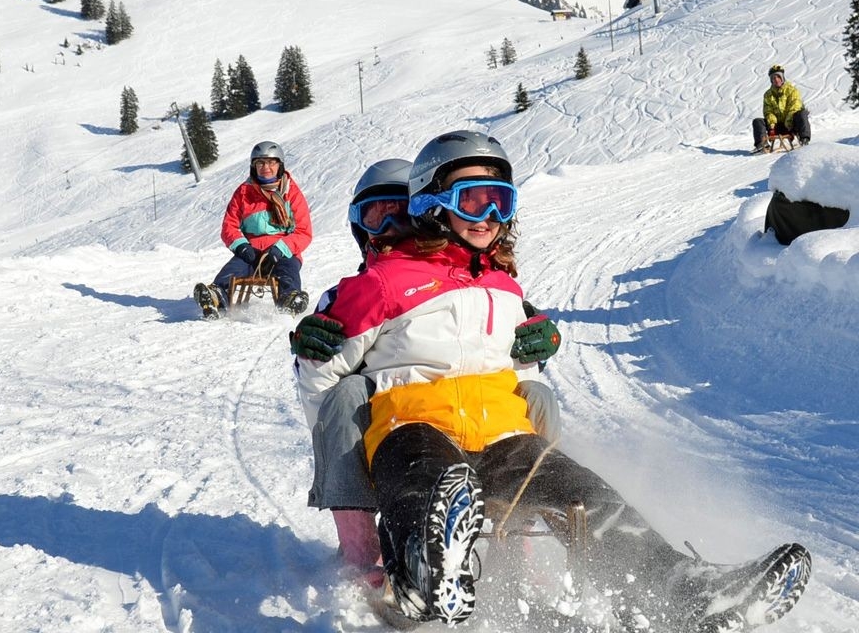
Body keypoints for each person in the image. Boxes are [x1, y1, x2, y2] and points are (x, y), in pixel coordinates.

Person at [295, 130, 811, 629]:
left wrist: (533, 351)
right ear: (432, 204)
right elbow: (325, 373)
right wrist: (346, 457)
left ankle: (682, 589)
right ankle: (422, 574)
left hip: (502, 435)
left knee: (586, 492)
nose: (489, 216)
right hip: (415, 423)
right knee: (425, 485)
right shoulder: (380, 283)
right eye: (472, 201)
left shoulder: (503, 287)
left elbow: (517, 369)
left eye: (499, 201)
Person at [292, 158, 562, 589]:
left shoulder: (474, 279)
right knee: (346, 393)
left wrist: (532, 342)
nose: (391, 229)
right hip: (388, 422)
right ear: (358, 227)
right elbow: (321, 381)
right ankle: (361, 545)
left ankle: (519, 529)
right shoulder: (360, 288)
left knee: (537, 396)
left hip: (467, 419)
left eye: (401, 213)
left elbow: (485, 337)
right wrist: (312, 353)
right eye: (376, 216)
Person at [194, 141, 312, 318]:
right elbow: (229, 226)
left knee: (287, 271)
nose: (266, 167)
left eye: (271, 162)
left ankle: (290, 299)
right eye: (260, 163)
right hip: (252, 251)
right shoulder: (243, 193)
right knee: (234, 269)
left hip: (283, 252)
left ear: (280, 165)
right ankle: (216, 297)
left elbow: (304, 231)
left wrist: (281, 249)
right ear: (253, 166)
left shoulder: (291, 193)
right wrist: (242, 247)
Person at [752, 64, 810, 152]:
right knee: (758, 121)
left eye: (778, 77)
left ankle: (804, 139)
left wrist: (789, 122)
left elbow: (795, 106)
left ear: (782, 78)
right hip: (776, 125)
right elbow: (768, 111)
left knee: (802, 113)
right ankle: (762, 145)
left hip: (791, 124)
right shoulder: (768, 95)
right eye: (773, 78)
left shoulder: (792, 90)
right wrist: (772, 125)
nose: (776, 80)